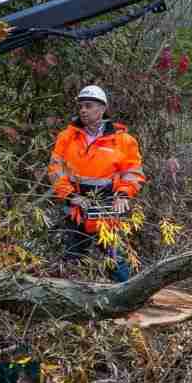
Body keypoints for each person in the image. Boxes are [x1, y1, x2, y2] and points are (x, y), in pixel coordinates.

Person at [47, 85, 146, 282]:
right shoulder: (67, 137)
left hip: (107, 208)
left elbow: (133, 172)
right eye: (81, 106)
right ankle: (69, 296)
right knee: (71, 260)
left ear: (102, 108)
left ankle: (128, 293)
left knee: (115, 259)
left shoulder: (123, 140)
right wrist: (70, 196)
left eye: (88, 105)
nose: (83, 110)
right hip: (76, 208)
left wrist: (123, 195)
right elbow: (55, 170)